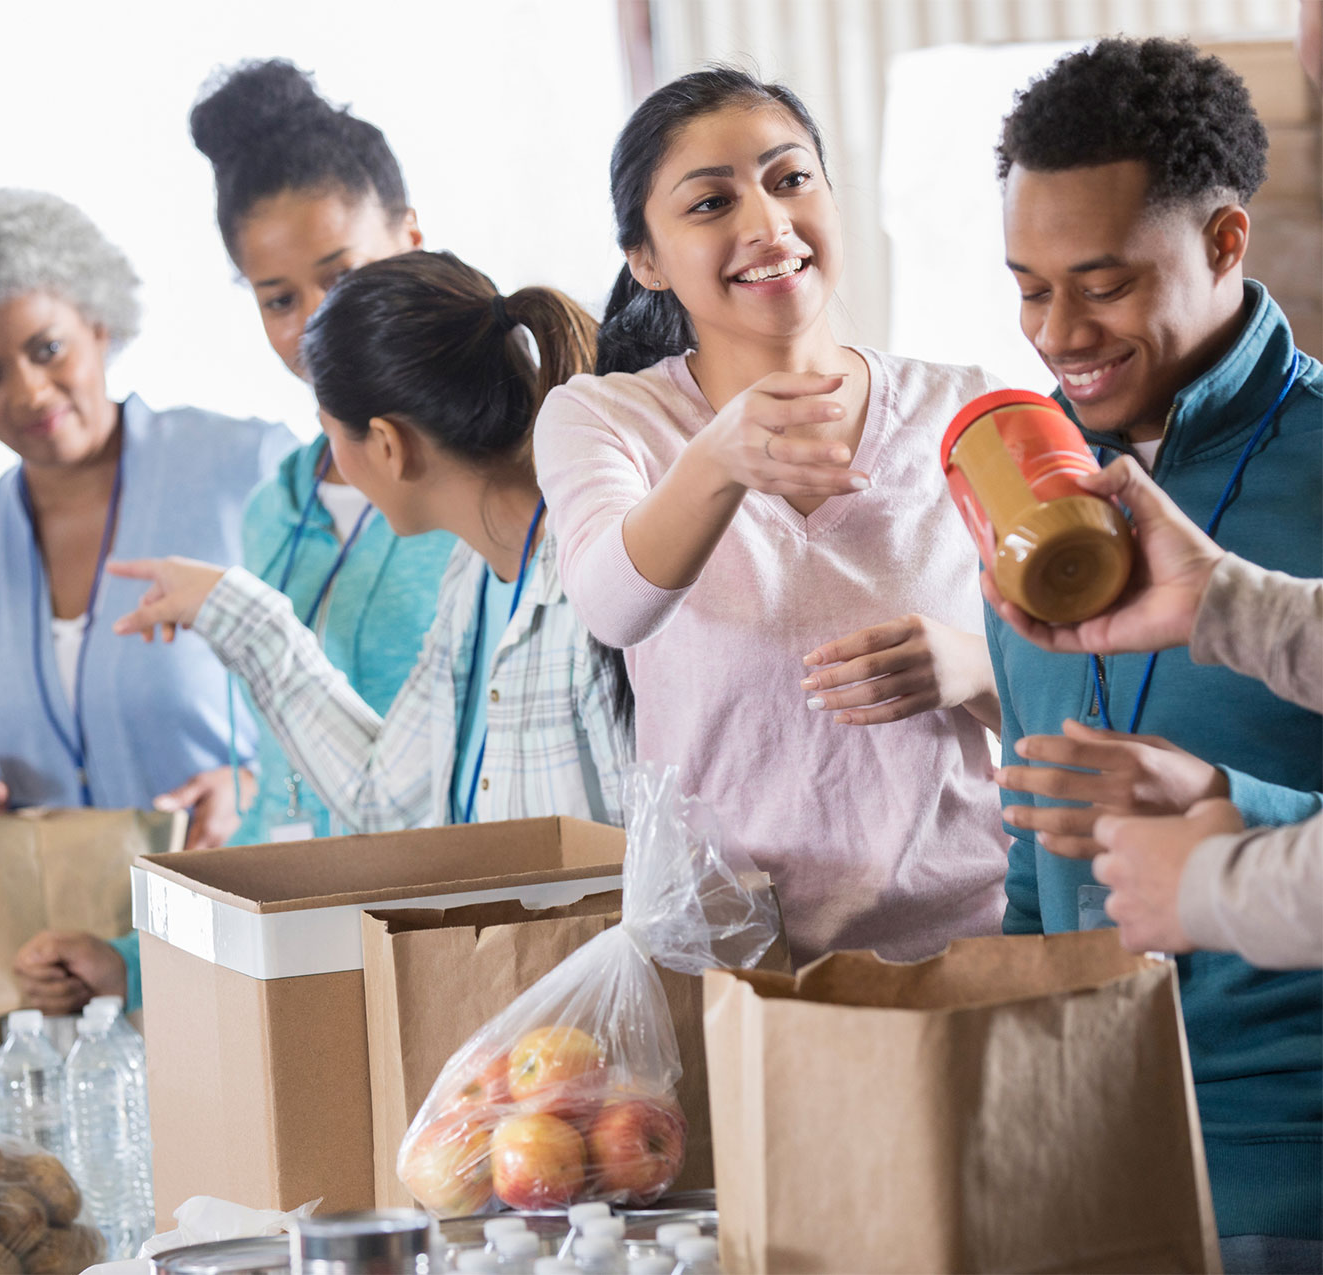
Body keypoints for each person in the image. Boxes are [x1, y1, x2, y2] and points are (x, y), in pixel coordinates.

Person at [532, 69, 1007, 966]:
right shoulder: (603, 419)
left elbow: (1083, 701)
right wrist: (719, 456)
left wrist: (972, 669)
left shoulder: (970, 409)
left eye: (790, 180)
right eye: (711, 203)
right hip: (735, 968)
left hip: (972, 949)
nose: (765, 223)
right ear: (646, 259)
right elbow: (610, 604)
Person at [986, 38, 1320, 1269]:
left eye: (1102, 283)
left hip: (1288, 1168)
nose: (1058, 334)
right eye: (1027, 288)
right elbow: (1035, 857)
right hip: (1075, 1160)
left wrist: (1236, 808)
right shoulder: (1028, 503)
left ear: (1226, 243)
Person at [0, 187, 294, 1014]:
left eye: (48, 348)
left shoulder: (246, 469)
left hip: (249, 946)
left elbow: (360, 708)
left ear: (100, 325)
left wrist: (254, 785)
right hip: (63, 991)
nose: (29, 393)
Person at [110, 251, 632, 829]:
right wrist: (230, 608)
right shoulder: (475, 578)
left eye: (327, 427)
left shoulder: (602, 584)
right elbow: (384, 799)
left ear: (388, 445)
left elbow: (663, 871)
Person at [187, 59, 454, 845]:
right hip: (316, 935)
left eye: (341, 278)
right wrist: (129, 960)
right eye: (278, 298)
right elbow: (283, 800)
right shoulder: (275, 510)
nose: (313, 324)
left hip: (469, 921)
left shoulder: (502, 469)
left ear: (411, 238)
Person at [982, 455, 1321, 969]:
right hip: (1087, 1030)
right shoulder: (1010, 479)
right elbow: (1032, 853)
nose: (1067, 366)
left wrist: (1228, 815)